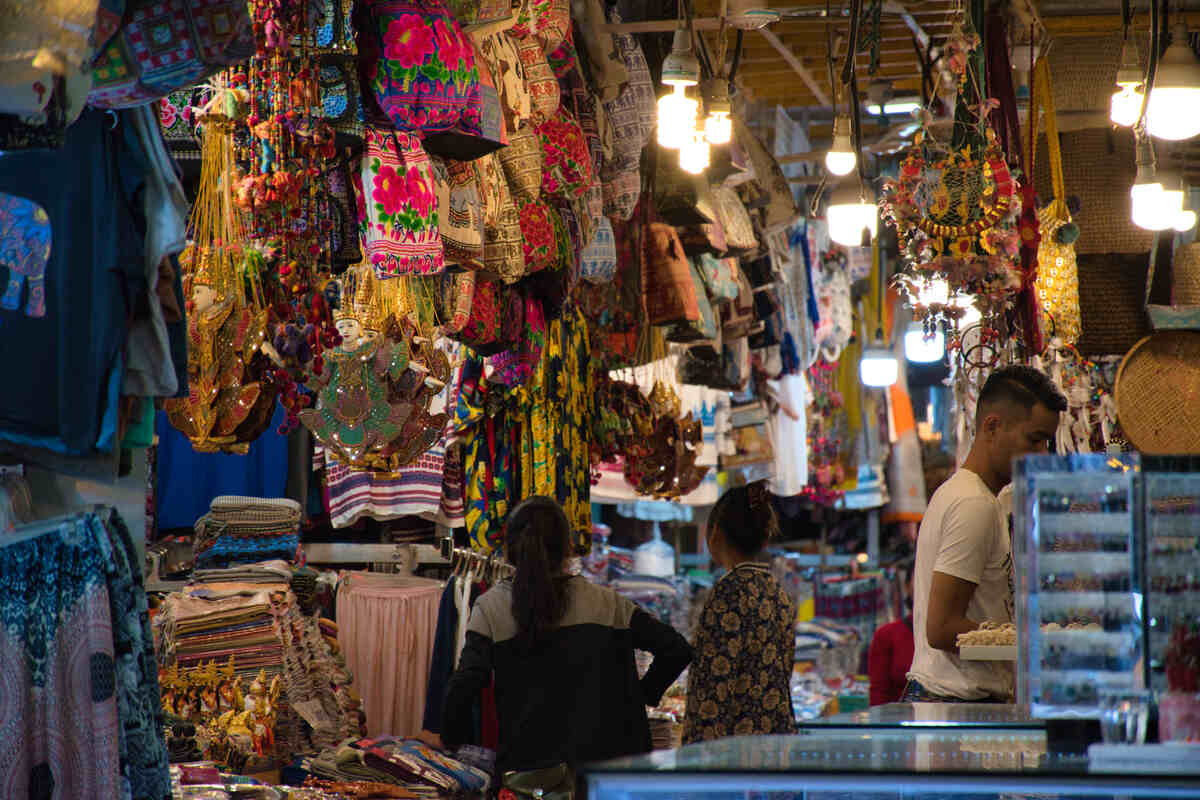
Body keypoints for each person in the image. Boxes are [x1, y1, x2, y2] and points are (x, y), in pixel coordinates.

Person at [440, 496, 692, 780]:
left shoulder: (491, 607)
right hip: (609, 775)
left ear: (510, 549)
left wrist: (450, 744)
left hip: (531, 775)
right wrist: (644, 693)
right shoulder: (608, 603)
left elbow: (463, 687)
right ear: (568, 548)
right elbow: (677, 650)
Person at [904, 365, 1066, 702]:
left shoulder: (969, 496)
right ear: (992, 426)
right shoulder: (972, 504)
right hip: (955, 703)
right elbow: (942, 628)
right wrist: (1034, 643)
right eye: (1034, 439)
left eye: (1046, 442)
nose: (1042, 454)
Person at [683, 481, 796, 743]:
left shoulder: (729, 591)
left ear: (715, 534)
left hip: (734, 753)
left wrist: (695, 757)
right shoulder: (776, 590)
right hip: (775, 743)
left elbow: (712, 686)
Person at [868, 566, 914, 706]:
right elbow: (878, 695)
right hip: (898, 723)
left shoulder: (960, 636)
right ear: (906, 587)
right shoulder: (887, 635)